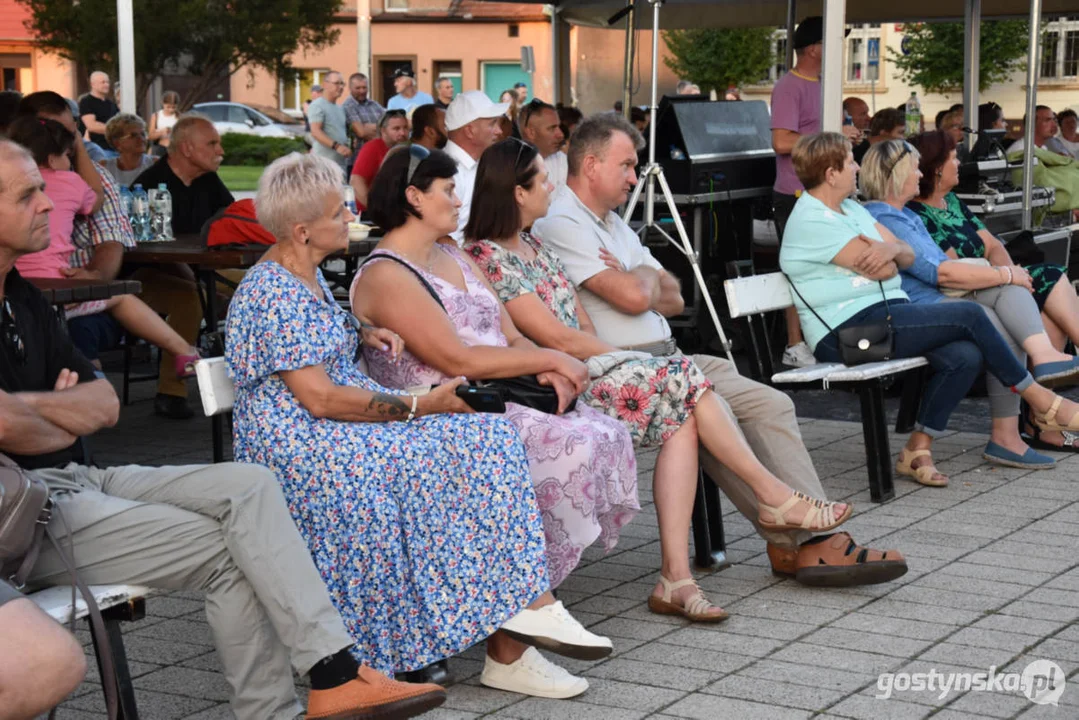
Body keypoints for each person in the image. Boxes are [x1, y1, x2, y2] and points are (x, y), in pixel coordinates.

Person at [0, 138, 449, 720]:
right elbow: (17, 423)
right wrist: (48, 413)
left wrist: (34, 414)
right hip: (27, 512)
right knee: (235, 550)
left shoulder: (22, 296)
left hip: (78, 474)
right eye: (29, 193)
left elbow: (105, 405)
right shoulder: (270, 286)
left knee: (248, 487)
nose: (50, 204)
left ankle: (335, 677)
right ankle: (317, 686)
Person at [225, 151, 613, 699]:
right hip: (303, 442)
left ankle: (525, 604)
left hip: (336, 422)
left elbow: (312, 347)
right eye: (340, 214)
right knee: (429, 452)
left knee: (485, 435)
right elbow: (318, 398)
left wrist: (360, 331)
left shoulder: (302, 275)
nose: (351, 220)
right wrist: (419, 406)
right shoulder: (273, 291)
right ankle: (465, 624)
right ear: (302, 230)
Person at [467, 139, 884, 611]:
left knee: (746, 402)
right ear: (518, 193)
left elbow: (670, 297)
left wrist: (636, 280)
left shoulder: (545, 242)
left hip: (621, 360)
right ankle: (786, 516)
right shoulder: (506, 248)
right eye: (542, 180)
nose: (550, 186)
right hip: (578, 374)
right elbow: (563, 334)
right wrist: (630, 337)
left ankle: (686, 574)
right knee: (693, 391)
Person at [352, 145, 641, 596]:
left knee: (605, 429)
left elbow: (512, 336)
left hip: (501, 388)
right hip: (444, 407)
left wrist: (547, 371)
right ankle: (525, 592)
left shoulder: (453, 252)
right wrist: (550, 359)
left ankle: (529, 587)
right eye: (448, 190)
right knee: (575, 442)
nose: (458, 200)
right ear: (414, 197)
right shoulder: (387, 274)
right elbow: (457, 360)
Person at [779, 132, 1079, 486]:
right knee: (970, 315)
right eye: (849, 162)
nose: (857, 167)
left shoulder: (850, 209)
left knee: (964, 355)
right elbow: (886, 265)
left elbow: (900, 256)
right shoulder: (812, 220)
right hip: (846, 339)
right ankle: (1039, 397)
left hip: (884, 318)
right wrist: (891, 253)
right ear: (831, 173)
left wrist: (890, 252)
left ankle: (917, 449)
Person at [863, 139, 1079, 467]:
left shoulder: (903, 215)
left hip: (942, 299)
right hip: (921, 308)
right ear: (898, 175)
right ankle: (1022, 415)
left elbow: (953, 265)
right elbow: (939, 273)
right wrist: (1005, 274)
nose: (920, 174)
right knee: (1003, 298)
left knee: (1011, 294)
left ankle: (1015, 422)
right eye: (914, 168)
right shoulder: (888, 218)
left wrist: (1005, 274)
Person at [7, 116, 200, 376]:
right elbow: (96, 200)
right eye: (68, 156)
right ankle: (183, 350)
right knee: (120, 297)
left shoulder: (17, 187)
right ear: (54, 158)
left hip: (23, 288)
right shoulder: (71, 181)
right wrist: (80, 154)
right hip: (60, 289)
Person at [771, 16, 860, 368]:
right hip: (796, 193)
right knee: (799, 269)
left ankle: (823, 335)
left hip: (828, 192)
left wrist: (845, 134)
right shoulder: (789, 87)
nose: (839, 47)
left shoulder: (826, 84)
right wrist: (832, 133)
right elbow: (780, 141)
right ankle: (794, 345)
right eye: (833, 41)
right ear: (813, 48)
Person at [132, 114, 234, 234]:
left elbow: (233, 218)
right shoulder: (148, 187)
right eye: (212, 144)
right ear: (186, 149)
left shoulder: (207, 177)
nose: (221, 151)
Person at [444, 91, 508, 243]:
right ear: (470, 131)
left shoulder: (479, 165)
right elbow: (447, 242)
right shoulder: (447, 173)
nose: (499, 131)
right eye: (492, 123)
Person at [349, 109, 409, 211]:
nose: (402, 133)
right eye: (396, 129)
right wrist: (374, 209)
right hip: (368, 214)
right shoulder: (372, 148)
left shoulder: (407, 149)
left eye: (405, 128)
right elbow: (356, 181)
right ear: (383, 131)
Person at [306, 71, 351, 176]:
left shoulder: (340, 108)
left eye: (342, 84)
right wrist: (337, 146)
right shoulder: (317, 105)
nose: (340, 87)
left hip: (340, 163)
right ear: (325, 84)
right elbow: (316, 131)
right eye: (337, 83)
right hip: (324, 165)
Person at [518, 99, 567, 191]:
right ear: (531, 133)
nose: (561, 134)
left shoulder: (562, 159)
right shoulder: (513, 166)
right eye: (552, 128)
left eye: (559, 127)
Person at [342, 72, 385, 166]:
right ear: (350, 88)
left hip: (377, 158)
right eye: (358, 88)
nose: (362, 91)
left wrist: (369, 127)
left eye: (364, 87)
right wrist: (382, 130)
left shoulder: (374, 105)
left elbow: (390, 124)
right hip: (357, 161)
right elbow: (361, 132)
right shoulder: (348, 106)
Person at [102, 113, 155, 186]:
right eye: (133, 135)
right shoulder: (104, 168)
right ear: (117, 143)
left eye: (143, 134)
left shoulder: (156, 164)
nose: (141, 139)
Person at [78, 71, 119, 152]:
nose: (106, 85)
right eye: (103, 82)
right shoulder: (86, 101)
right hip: (96, 149)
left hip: (113, 149)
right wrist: (115, 130)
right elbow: (92, 126)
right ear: (93, 84)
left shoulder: (111, 104)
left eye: (107, 82)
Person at [147, 90, 180, 155]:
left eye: (173, 107)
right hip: (159, 148)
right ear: (163, 103)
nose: (170, 110)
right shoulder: (156, 116)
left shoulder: (179, 117)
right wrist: (162, 132)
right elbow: (150, 136)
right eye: (168, 107)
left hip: (174, 149)